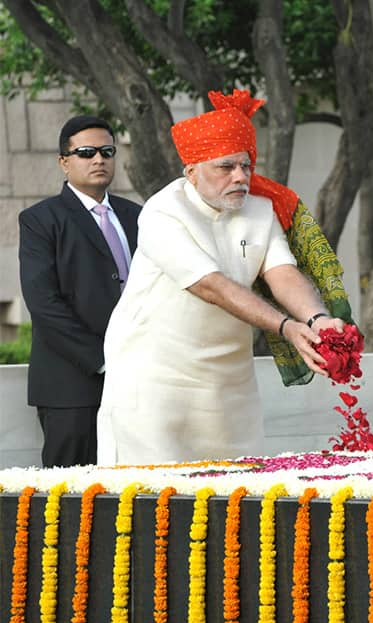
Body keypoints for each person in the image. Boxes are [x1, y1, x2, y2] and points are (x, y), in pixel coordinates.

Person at [97, 90, 352, 465]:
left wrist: (317, 319)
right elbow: (209, 285)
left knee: (236, 496)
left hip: (229, 383)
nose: (241, 177)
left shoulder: (260, 210)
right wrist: (286, 327)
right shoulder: (162, 212)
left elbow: (281, 272)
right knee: (155, 496)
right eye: (226, 167)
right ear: (191, 172)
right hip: (154, 377)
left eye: (246, 166)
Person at [18, 116, 141, 467]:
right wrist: (103, 359)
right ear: (64, 161)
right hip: (71, 385)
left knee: (138, 493)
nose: (98, 159)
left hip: (139, 380)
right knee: (69, 497)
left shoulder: (136, 216)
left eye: (106, 151)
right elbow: (43, 304)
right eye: (86, 152)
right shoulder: (41, 220)